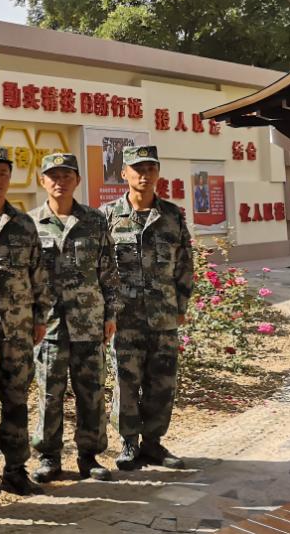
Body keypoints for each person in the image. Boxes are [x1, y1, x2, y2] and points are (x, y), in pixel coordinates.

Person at [28, 153, 121, 483]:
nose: (60, 181)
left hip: (89, 322)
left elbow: (108, 272)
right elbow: (25, 277)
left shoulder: (94, 221)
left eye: (67, 175)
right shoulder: (30, 223)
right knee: (49, 393)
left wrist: (110, 314)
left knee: (90, 392)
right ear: (42, 181)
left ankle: (89, 455)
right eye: (53, 176)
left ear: (77, 180)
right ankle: (49, 457)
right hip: (49, 325)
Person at [100, 145, 193, 471]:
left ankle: (153, 443)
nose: (144, 175)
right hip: (124, 318)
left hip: (163, 315)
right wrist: (107, 312)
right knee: (126, 381)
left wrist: (181, 304)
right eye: (137, 169)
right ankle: (129, 443)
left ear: (158, 172)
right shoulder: (108, 215)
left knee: (162, 382)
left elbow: (185, 263)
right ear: (123, 173)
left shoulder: (172, 215)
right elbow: (100, 268)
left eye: (150, 168)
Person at [0, 146, 51, 498]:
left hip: (19, 329)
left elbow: (38, 275)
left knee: (17, 402)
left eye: (3, 173)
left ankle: (15, 470)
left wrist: (40, 317)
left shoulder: (24, 224)